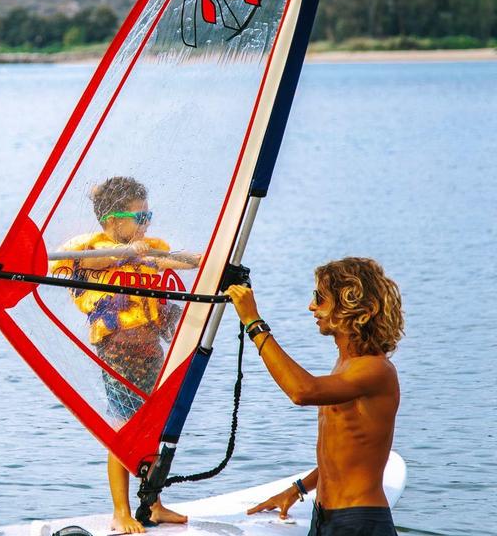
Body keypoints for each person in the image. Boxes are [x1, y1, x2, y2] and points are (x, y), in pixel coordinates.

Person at [50, 176, 200, 533]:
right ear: (112, 221)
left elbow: (179, 262)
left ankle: (153, 505)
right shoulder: (90, 247)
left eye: (149, 216)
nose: (146, 224)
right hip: (117, 352)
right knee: (124, 425)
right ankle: (120, 511)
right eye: (139, 217)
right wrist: (122, 254)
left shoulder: (152, 247)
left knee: (155, 426)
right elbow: (65, 264)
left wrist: (201, 259)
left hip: (151, 348)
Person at [225, 257, 403, 536]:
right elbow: (344, 456)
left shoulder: (375, 369)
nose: (311, 307)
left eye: (320, 298)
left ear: (355, 308)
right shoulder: (345, 365)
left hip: (359, 522)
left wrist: (253, 322)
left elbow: (302, 391)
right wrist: (296, 490)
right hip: (325, 520)